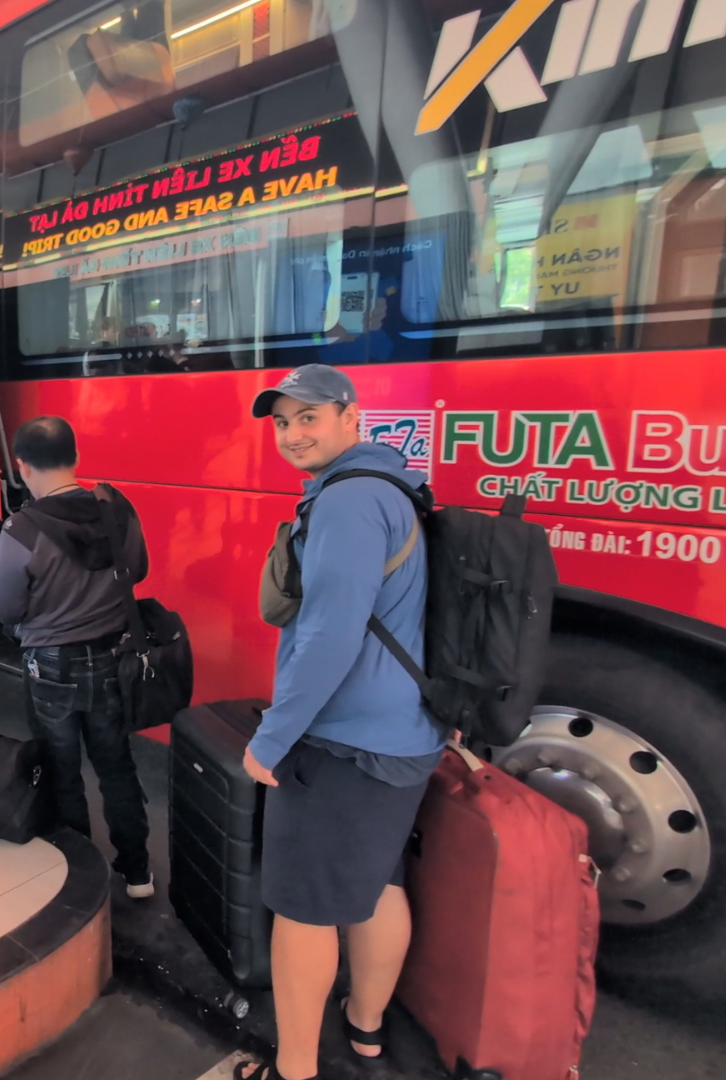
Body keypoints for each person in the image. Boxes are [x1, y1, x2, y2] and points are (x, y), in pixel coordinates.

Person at [234, 364, 443, 1080]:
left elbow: (329, 636)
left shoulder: (348, 501)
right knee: (377, 884)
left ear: (350, 417)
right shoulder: (392, 484)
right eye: (281, 423)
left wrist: (271, 738)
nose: (292, 435)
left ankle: (294, 1069)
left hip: (345, 741)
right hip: (405, 732)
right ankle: (365, 1029)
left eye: (308, 418)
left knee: (304, 910)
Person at [0, 416, 154, 900]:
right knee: (116, 765)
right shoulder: (116, 508)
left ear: (21, 466)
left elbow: (4, 605)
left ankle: (79, 877)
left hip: (50, 667)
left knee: (61, 770)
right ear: (76, 456)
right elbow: (138, 569)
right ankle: (138, 873)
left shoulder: (21, 529)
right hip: (112, 658)